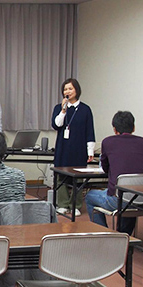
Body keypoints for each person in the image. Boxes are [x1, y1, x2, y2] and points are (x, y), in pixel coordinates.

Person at [85, 111, 143, 235]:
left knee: (90, 196)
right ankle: (124, 235)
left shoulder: (108, 142)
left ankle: (105, 234)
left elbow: (105, 168)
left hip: (118, 199)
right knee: (130, 196)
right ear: (133, 127)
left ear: (114, 129)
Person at [52, 78, 95, 216]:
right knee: (61, 176)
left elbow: (90, 131)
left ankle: (75, 205)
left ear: (77, 90)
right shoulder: (59, 108)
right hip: (63, 147)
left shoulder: (85, 109)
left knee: (78, 177)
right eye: (65, 89)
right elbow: (56, 125)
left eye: (70, 88)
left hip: (79, 148)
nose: (67, 91)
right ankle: (62, 204)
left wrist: (90, 150)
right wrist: (63, 110)